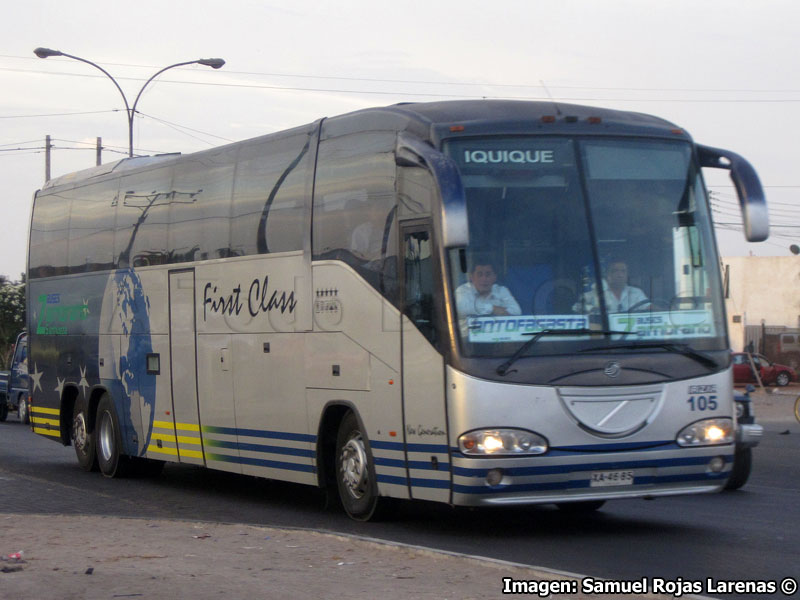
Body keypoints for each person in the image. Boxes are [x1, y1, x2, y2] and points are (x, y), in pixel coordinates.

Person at [575, 258, 649, 313]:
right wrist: (591, 308)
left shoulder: (636, 292)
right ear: (607, 274)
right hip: (604, 332)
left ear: (627, 274)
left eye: (623, 271)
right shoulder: (597, 293)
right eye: (615, 271)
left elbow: (649, 307)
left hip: (631, 333)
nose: (620, 275)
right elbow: (576, 307)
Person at [456, 259, 521, 317]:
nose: (484, 279)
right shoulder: (462, 290)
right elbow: (461, 309)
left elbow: (517, 311)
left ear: (495, 277)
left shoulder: (501, 290)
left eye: (488, 274)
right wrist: (492, 309)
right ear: (471, 277)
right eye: (479, 274)